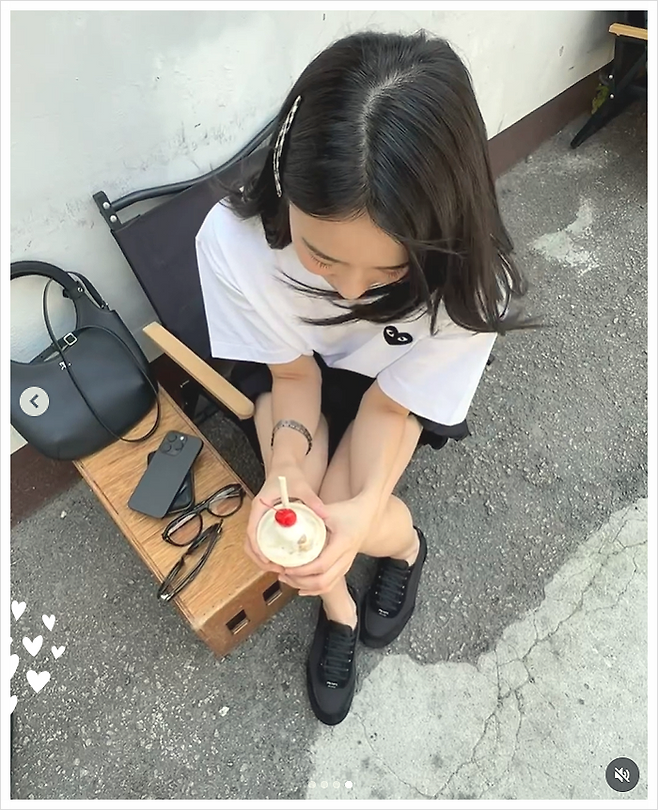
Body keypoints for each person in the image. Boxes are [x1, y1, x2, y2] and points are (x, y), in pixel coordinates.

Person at [195, 29, 530, 726]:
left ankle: (405, 547)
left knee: (353, 513)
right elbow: (291, 375)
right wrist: (284, 469)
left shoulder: (470, 285)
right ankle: (341, 609)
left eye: (390, 270)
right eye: (320, 256)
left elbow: (389, 408)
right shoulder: (233, 245)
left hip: (391, 387)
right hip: (305, 370)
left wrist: (361, 507)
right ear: (285, 184)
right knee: (302, 503)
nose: (349, 291)